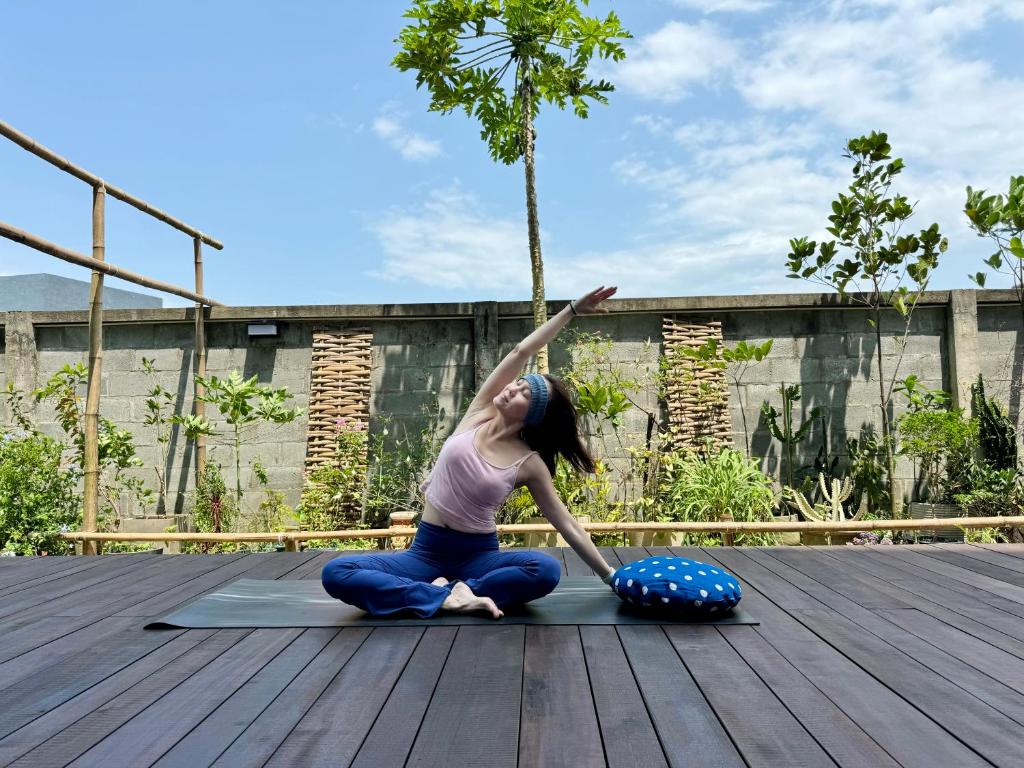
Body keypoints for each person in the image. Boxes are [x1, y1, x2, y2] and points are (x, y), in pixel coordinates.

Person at [321, 286, 619, 619]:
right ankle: (448, 595)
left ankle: (460, 590)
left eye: (524, 393)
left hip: (479, 555)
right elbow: (522, 350)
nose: (511, 388)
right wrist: (571, 311)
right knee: (337, 572)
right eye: (517, 383)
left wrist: (610, 575)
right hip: (425, 553)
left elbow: (566, 523)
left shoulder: (529, 463)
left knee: (545, 570)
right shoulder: (479, 414)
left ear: (533, 414)